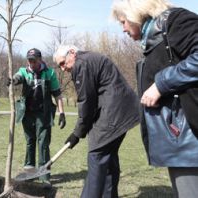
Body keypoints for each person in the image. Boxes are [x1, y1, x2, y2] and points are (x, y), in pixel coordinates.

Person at [111, 1, 198, 197]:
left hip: (191, 144)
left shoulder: (176, 21)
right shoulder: (155, 38)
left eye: (123, 21)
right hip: (180, 145)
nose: (123, 28)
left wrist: (161, 84)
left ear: (136, 13)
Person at [53, 45, 140, 197]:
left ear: (72, 53)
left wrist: (77, 133)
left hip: (113, 115)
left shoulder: (81, 64)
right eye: (59, 65)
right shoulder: (88, 59)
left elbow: (86, 102)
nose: (62, 69)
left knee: (97, 157)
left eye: (63, 63)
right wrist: (80, 132)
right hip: (123, 114)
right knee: (108, 162)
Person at [10, 48, 66, 188]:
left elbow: (57, 94)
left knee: (43, 144)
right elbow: (18, 77)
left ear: (40, 59)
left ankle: (44, 175)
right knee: (30, 142)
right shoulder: (24, 71)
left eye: (34, 60)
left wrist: (62, 113)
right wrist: (13, 80)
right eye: (29, 60)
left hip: (44, 114)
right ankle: (30, 173)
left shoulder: (49, 73)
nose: (31, 63)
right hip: (27, 114)